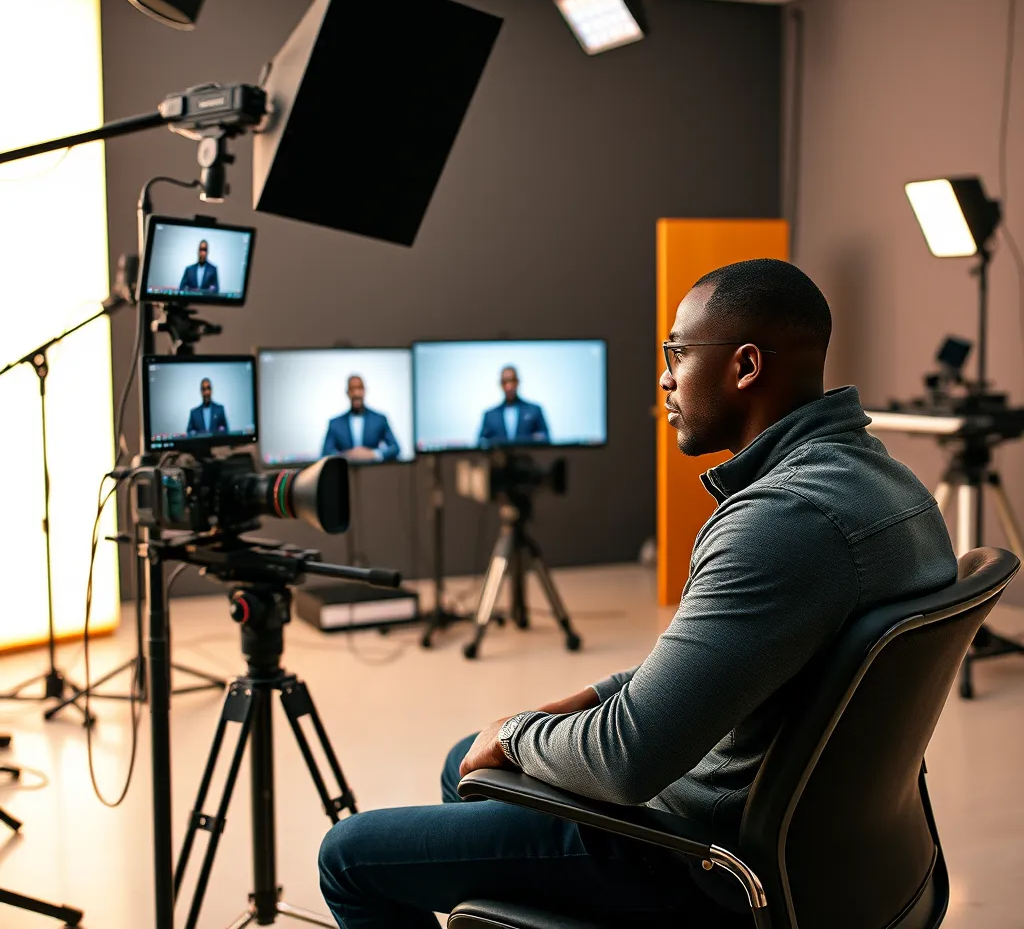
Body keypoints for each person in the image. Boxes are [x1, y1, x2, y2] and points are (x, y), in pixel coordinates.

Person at [317, 259, 957, 928]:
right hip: (820, 844)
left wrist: (516, 731)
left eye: (676, 353)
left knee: (349, 857)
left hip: (699, 859)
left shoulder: (780, 521)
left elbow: (628, 761)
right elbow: (732, 659)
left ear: (743, 367)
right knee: (466, 765)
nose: (664, 378)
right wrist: (590, 698)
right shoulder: (892, 487)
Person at [321, 375, 400, 462]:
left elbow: (395, 448)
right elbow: (326, 453)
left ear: (365, 391)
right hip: (344, 473)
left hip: (373, 472)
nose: (356, 393)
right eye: (352, 389)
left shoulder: (379, 419)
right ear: (347, 393)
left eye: (359, 388)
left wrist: (373, 454)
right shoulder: (335, 423)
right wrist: (346, 455)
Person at [477, 366, 550, 446]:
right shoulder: (490, 415)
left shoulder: (534, 410)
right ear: (500, 384)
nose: (509, 386)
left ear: (517, 382)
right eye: (505, 382)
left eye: (512, 381)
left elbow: (545, 438)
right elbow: (481, 442)